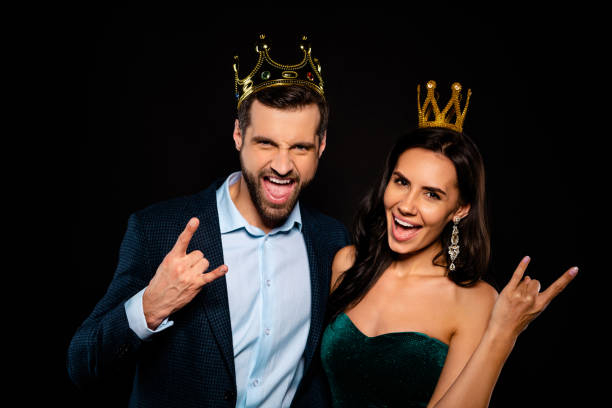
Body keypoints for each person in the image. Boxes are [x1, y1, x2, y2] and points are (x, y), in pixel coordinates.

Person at [67, 34, 349, 407]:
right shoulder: (158, 230)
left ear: (322, 145)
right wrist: (150, 307)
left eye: (300, 147)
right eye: (266, 143)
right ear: (238, 135)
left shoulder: (331, 241)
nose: (282, 166)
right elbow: (82, 364)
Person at [320, 80, 578, 407]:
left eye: (432, 194)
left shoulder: (474, 299)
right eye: (401, 182)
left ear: (460, 209)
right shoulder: (347, 263)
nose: (406, 205)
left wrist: (504, 333)